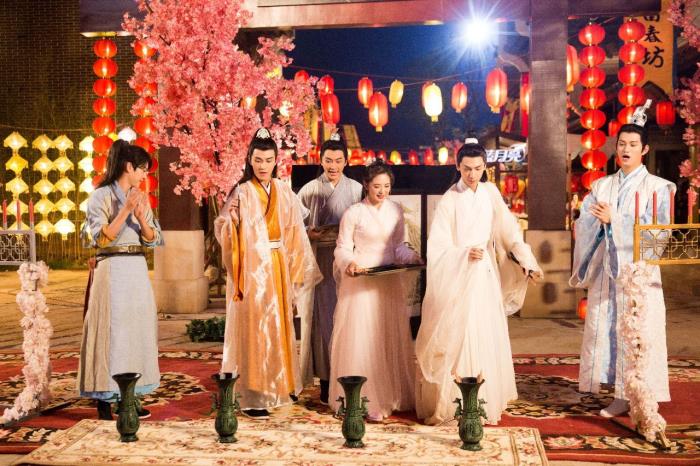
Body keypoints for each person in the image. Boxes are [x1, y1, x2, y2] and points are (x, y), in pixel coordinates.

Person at [415, 139, 543, 425]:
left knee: (484, 330)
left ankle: (484, 398)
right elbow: (437, 246)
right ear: (457, 166)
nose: (472, 174)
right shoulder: (450, 199)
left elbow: (509, 231)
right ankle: (455, 402)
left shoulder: (490, 193)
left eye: (477, 168)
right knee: (460, 331)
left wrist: (528, 262)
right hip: (458, 273)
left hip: (484, 273)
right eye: (467, 169)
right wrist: (462, 254)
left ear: (485, 166)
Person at [570, 101, 674, 417]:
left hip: (638, 274)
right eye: (622, 144)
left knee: (638, 329)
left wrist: (615, 219)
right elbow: (584, 223)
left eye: (632, 144)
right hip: (608, 270)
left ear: (645, 149)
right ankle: (618, 393)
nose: (626, 149)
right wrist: (595, 222)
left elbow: (660, 232)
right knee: (609, 329)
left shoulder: (658, 188)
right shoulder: (602, 185)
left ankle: (639, 393)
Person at [214, 128, 321, 419]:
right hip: (251, 269)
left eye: (268, 160)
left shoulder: (284, 190)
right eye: (258, 160)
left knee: (279, 325)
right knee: (256, 327)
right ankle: (253, 393)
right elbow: (223, 228)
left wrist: (295, 275)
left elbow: (294, 233)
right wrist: (232, 223)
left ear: (276, 161)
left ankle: (280, 385)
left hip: (277, 264)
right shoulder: (242, 191)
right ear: (250, 160)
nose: (263, 166)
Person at [329, 160, 421, 421]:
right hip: (361, 281)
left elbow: (398, 246)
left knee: (386, 336)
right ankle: (363, 398)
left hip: (388, 281)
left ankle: (391, 394)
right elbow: (342, 247)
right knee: (364, 339)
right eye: (377, 186)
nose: (382, 191)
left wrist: (412, 257)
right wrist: (349, 264)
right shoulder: (354, 213)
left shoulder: (395, 210)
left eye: (387, 186)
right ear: (366, 185)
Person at [77, 139, 163, 420]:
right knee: (112, 332)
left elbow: (153, 239)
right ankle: (105, 396)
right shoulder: (100, 197)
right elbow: (100, 238)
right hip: (112, 268)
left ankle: (131, 394)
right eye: (142, 170)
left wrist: (141, 217)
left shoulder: (140, 197)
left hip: (136, 268)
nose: (144, 175)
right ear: (128, 167)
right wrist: (125, 210)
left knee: (137, 329)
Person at [297, 132, 362, 404]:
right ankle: (325, 382)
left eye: (338, 160)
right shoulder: (308, 190)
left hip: (348, 261)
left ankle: (350, 379)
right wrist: (307, 233)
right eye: (328, 160)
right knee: (324, 321)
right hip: (320, 260)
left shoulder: (357, 189)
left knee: (349, 320)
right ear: (320, 160)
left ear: (346, 161)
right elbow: (294, 226)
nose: (333, 166)